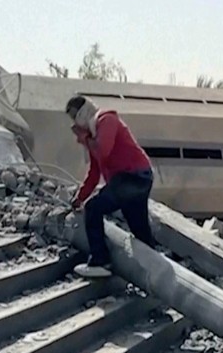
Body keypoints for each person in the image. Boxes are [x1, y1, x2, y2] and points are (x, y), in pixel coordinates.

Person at [66, 95, 157, 277]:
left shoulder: (106, 120)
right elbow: (94, 172)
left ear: (83, 113)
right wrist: (80, 197)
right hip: (135, 179)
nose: (74, 124)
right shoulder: (94, 134)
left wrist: (84, 138)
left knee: (93, 209)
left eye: (74, 117)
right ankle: (153, 270)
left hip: (131, 177)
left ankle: (101, 261)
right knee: (139, 229)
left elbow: (103, 150)